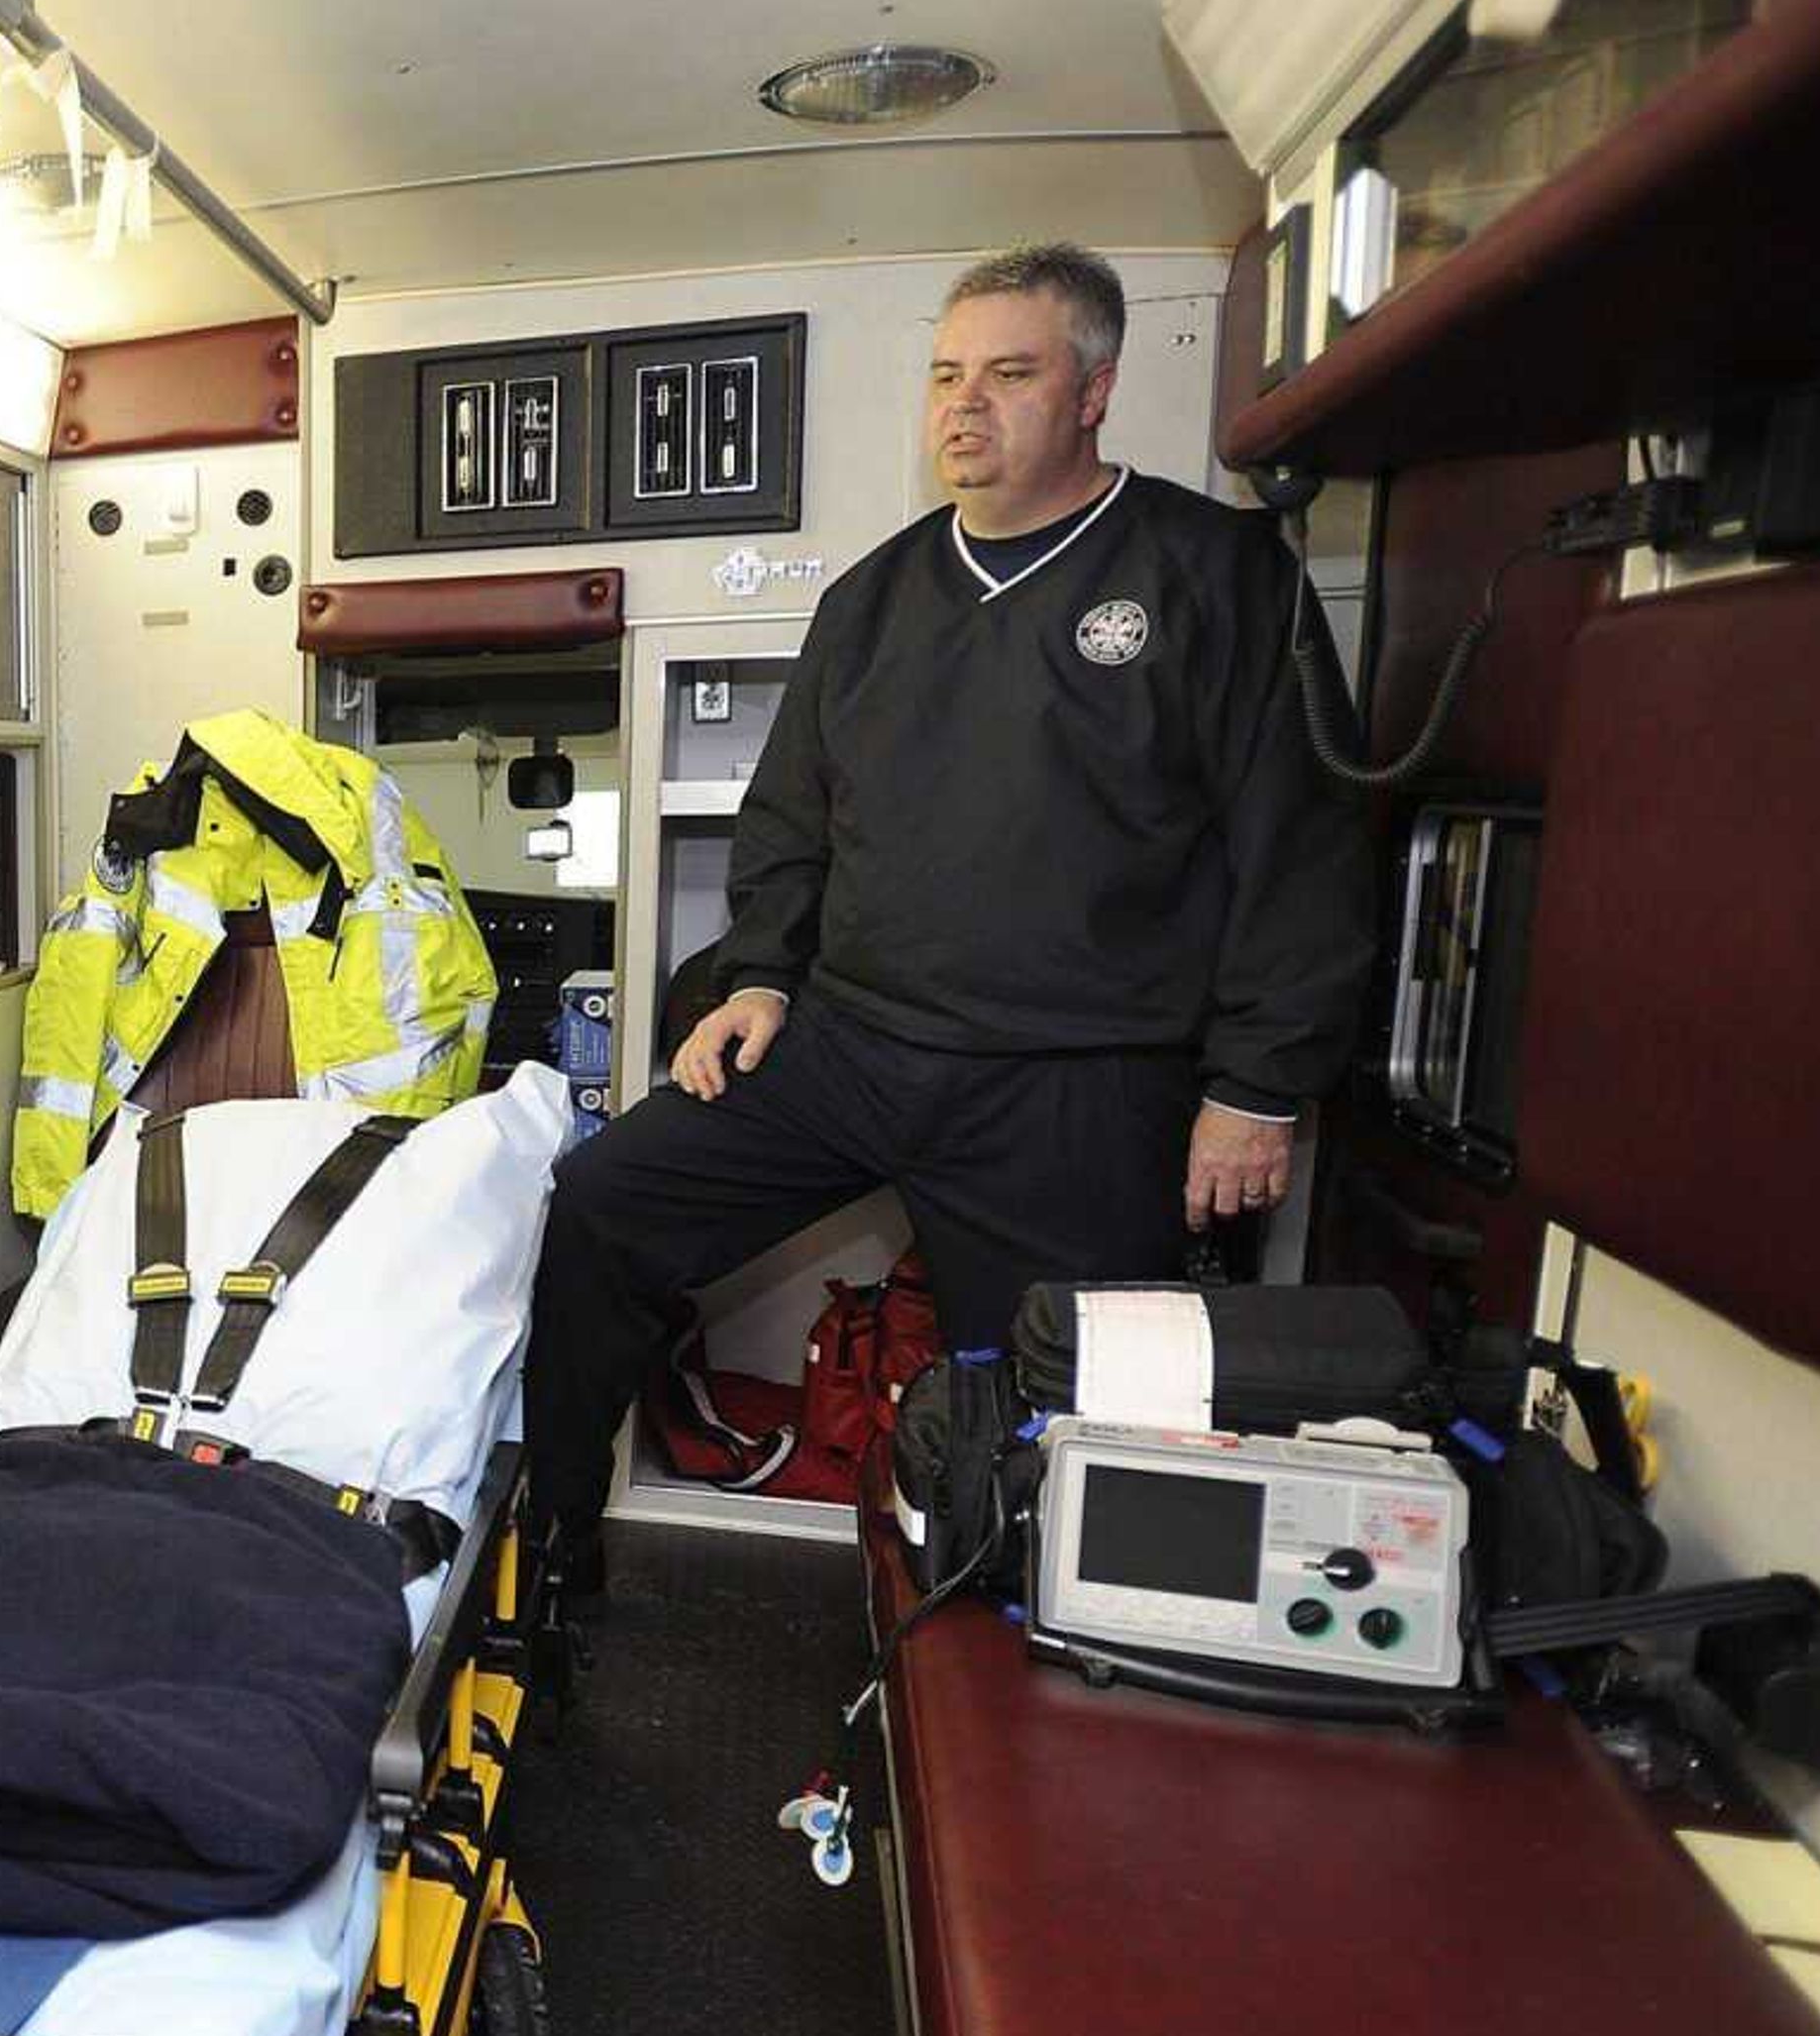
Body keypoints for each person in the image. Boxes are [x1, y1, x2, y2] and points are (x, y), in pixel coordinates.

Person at [523, 242, 1373, 1595]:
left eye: (1011, 373)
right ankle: (550, 1545)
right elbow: (788, 820)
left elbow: (1304, 845)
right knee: (604, 1199)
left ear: (1093, 392)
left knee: (1068, 1419)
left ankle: (1005, 1658)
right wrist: (757, 979)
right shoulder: (872, 602)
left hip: (1076, 1079)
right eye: (945, 375)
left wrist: (1259, 1085)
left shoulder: (1217, 576)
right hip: (857, 1047)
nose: (964, 406)